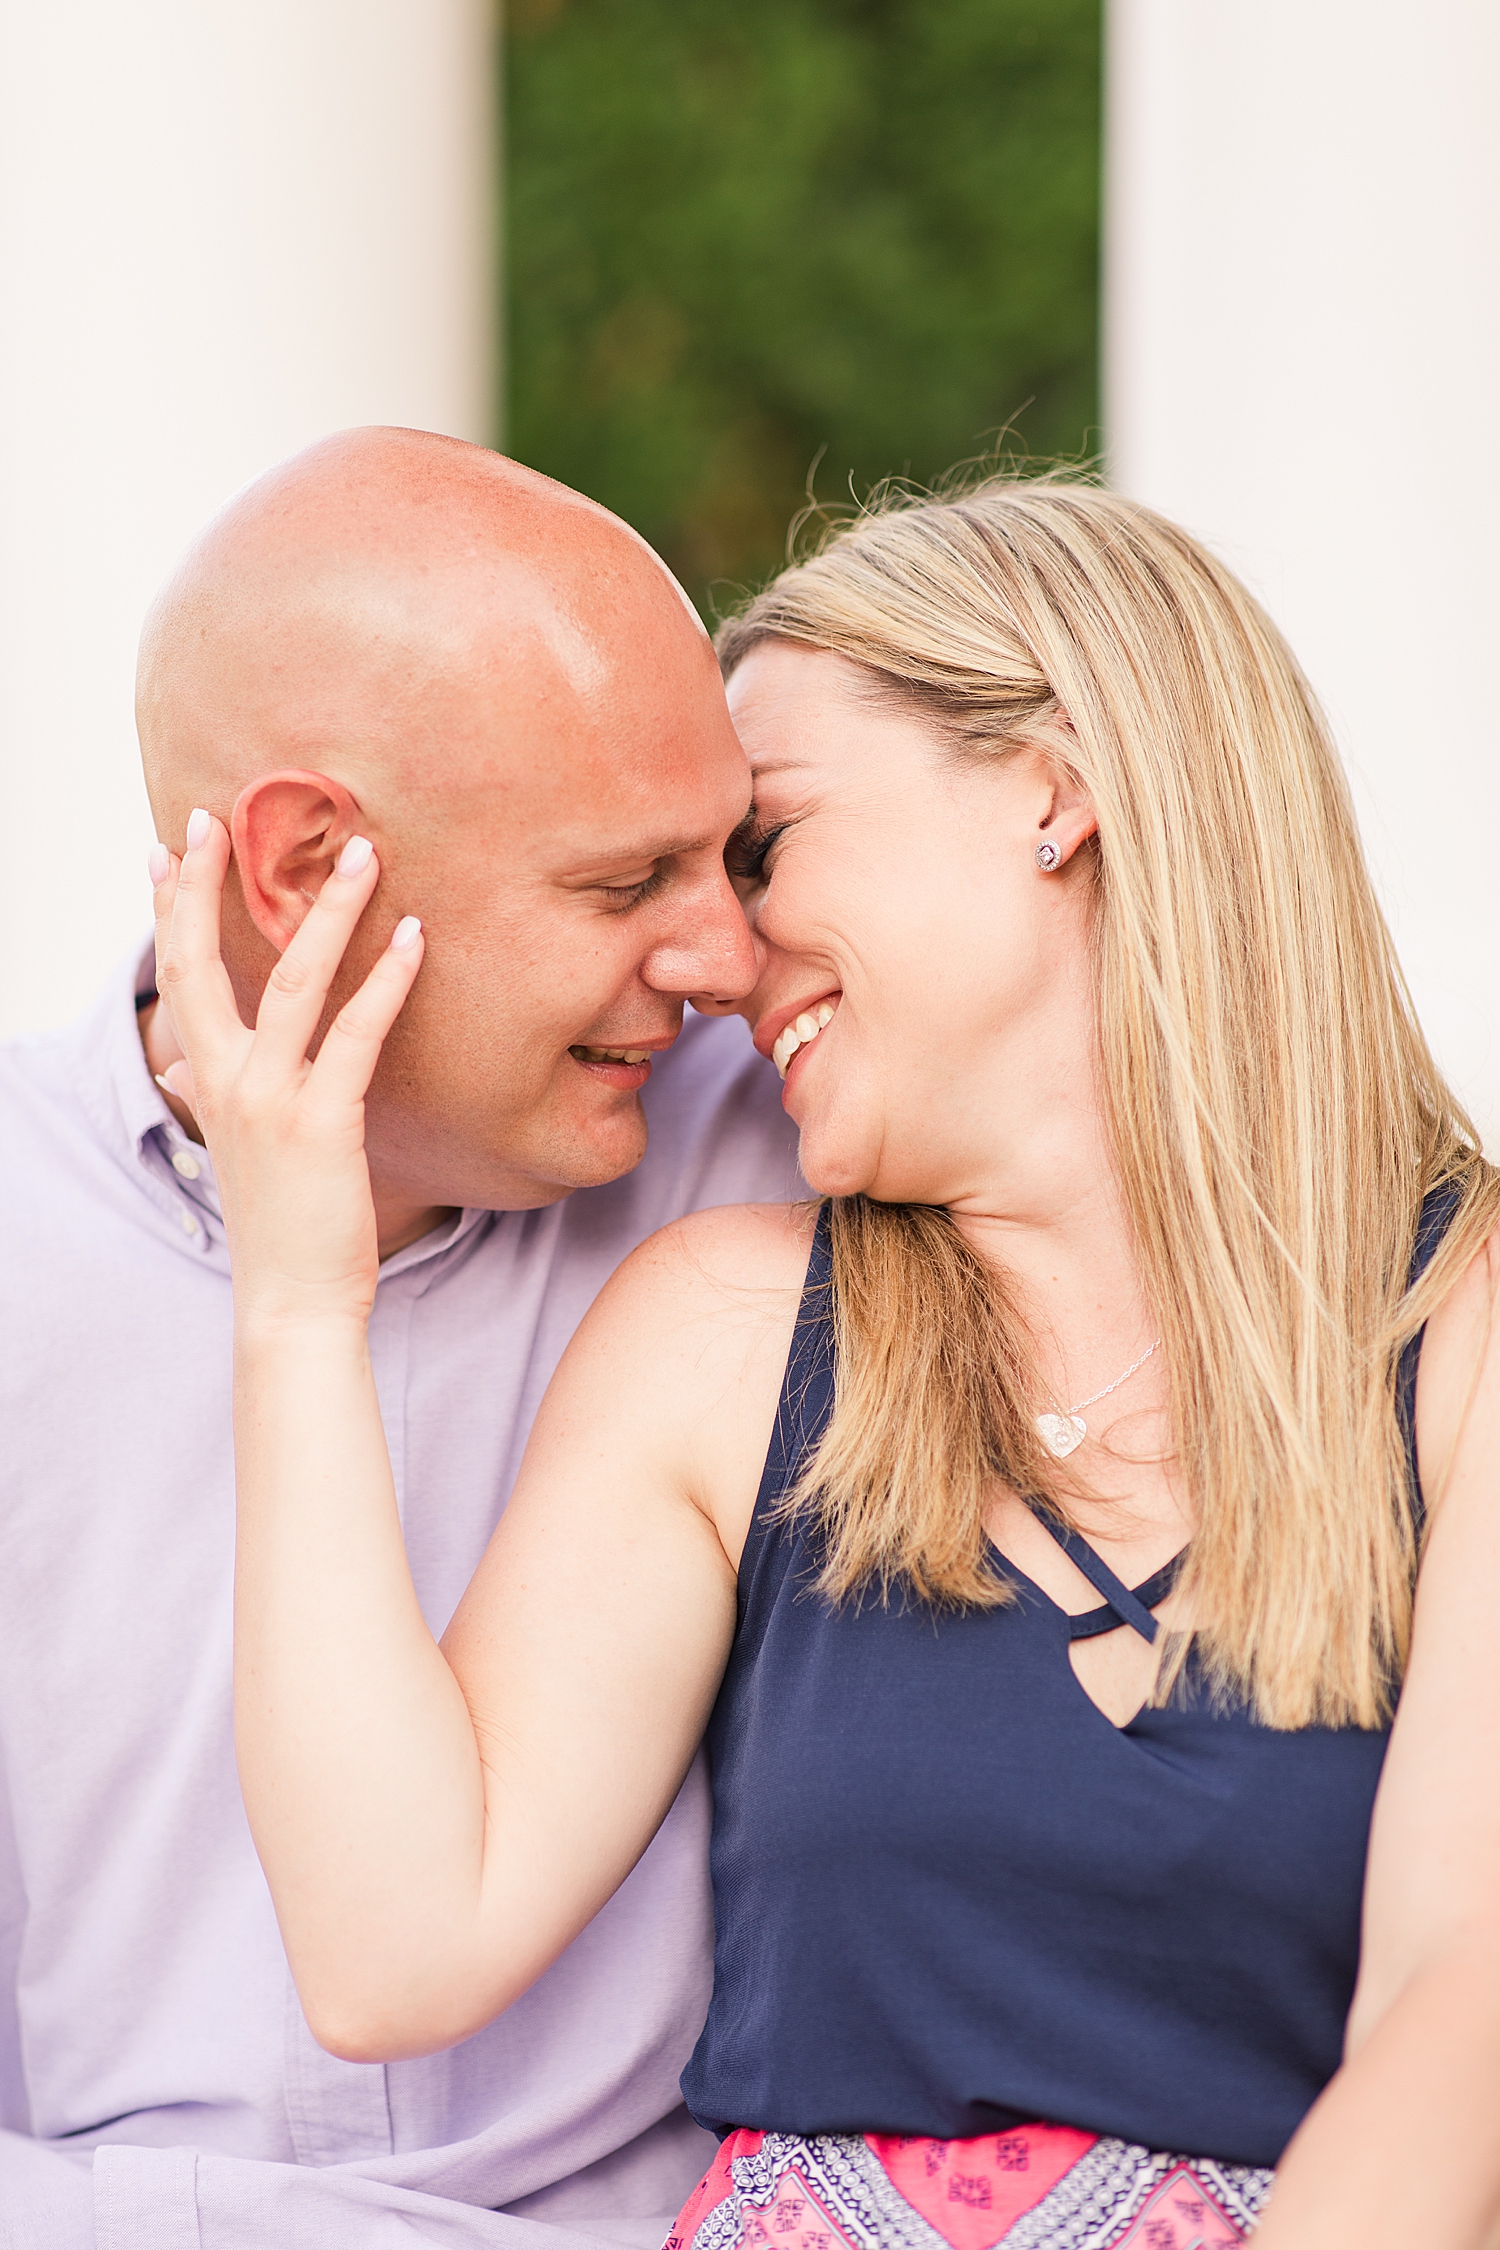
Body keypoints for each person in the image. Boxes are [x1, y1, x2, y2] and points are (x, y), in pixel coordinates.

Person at [156, 478, 1500, 2250]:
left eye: (766, 848)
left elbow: (1455, 2003)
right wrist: (300, 1308)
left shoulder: (1457, 1324)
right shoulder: (723, 1333)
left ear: (1057, 790)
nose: (717, 960)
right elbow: (395, 1941)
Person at [0, 429, 803, 2249]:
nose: (722, 958)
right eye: (625, 883)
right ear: (304, 861)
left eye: (730, 856)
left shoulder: (788, 1174)